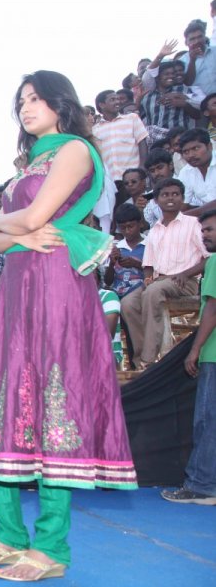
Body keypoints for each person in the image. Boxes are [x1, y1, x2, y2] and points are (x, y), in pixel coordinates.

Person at [0, 71, 137, 581]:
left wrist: (2, 223)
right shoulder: (26, 165)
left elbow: (34, 218)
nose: (27, 107)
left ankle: (52, 547)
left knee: (57, 407)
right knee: (1, 404)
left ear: (60, 103)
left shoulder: (74, 149)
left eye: (36, 98)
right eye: (21, 101)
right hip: (15, 290)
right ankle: (9, 536)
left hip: (56, 287)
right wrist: (8, 229)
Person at [121, 179, 207, 368]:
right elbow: (148, 264)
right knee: (127, 303)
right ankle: (139, 359)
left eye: (175, 194)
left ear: (182, 198)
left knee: (153, 292)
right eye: (165, 195)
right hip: (159, 279)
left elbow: (208, 257)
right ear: (157, 200)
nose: (170, 198)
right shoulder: (154, 230)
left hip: (186, 279)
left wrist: (186, 274)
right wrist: (147, 278)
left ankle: (149, 359)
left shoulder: (193, 224)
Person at [162, 210, 216, 505]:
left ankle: (202, 485)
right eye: (203, 231)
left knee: (208, 421)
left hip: (214, 354)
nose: (205, 235)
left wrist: (195, 349)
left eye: (209, 230)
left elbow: (211, 310)